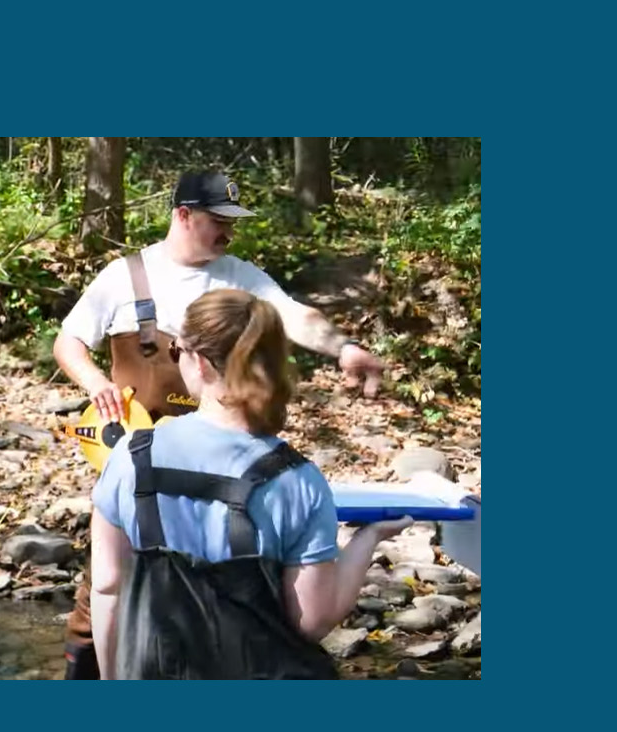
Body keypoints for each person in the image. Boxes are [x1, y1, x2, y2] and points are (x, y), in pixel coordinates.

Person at [51, 170, 388, 679]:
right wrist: (95, 382)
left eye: (232, 222)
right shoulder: (124, 275)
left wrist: (343, 347)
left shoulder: (242, 276)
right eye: (217, 221)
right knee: (102, 599)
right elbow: (69, 341)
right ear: (182, 215)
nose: (228, 233)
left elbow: (296, 317)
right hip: (144, 462)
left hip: (234, 463)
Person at [87, 290, 412, 679]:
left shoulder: (130, 457)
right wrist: (368, 538)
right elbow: (312, 620)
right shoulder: (298, 480)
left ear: (202, 363)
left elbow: (107, 586)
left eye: (177, 352)